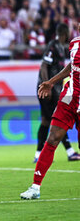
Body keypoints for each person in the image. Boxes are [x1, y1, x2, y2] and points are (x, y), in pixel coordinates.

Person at [20, 24, 80, 200]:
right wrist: (51, 82)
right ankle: (35, 187)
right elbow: (71, 66)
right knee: (52, 138)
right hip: (69, 97)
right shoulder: (74, 43)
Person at [34, 23, 80, 163]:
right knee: (54, 121)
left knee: (48, 121)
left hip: (56, 89)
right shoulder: (53, 46)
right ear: (65, 33)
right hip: (49, 90)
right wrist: (48, 83)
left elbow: (70, 66)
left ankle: (39, 153)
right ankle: (68, 151)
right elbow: (44, 65)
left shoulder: (62, 47)